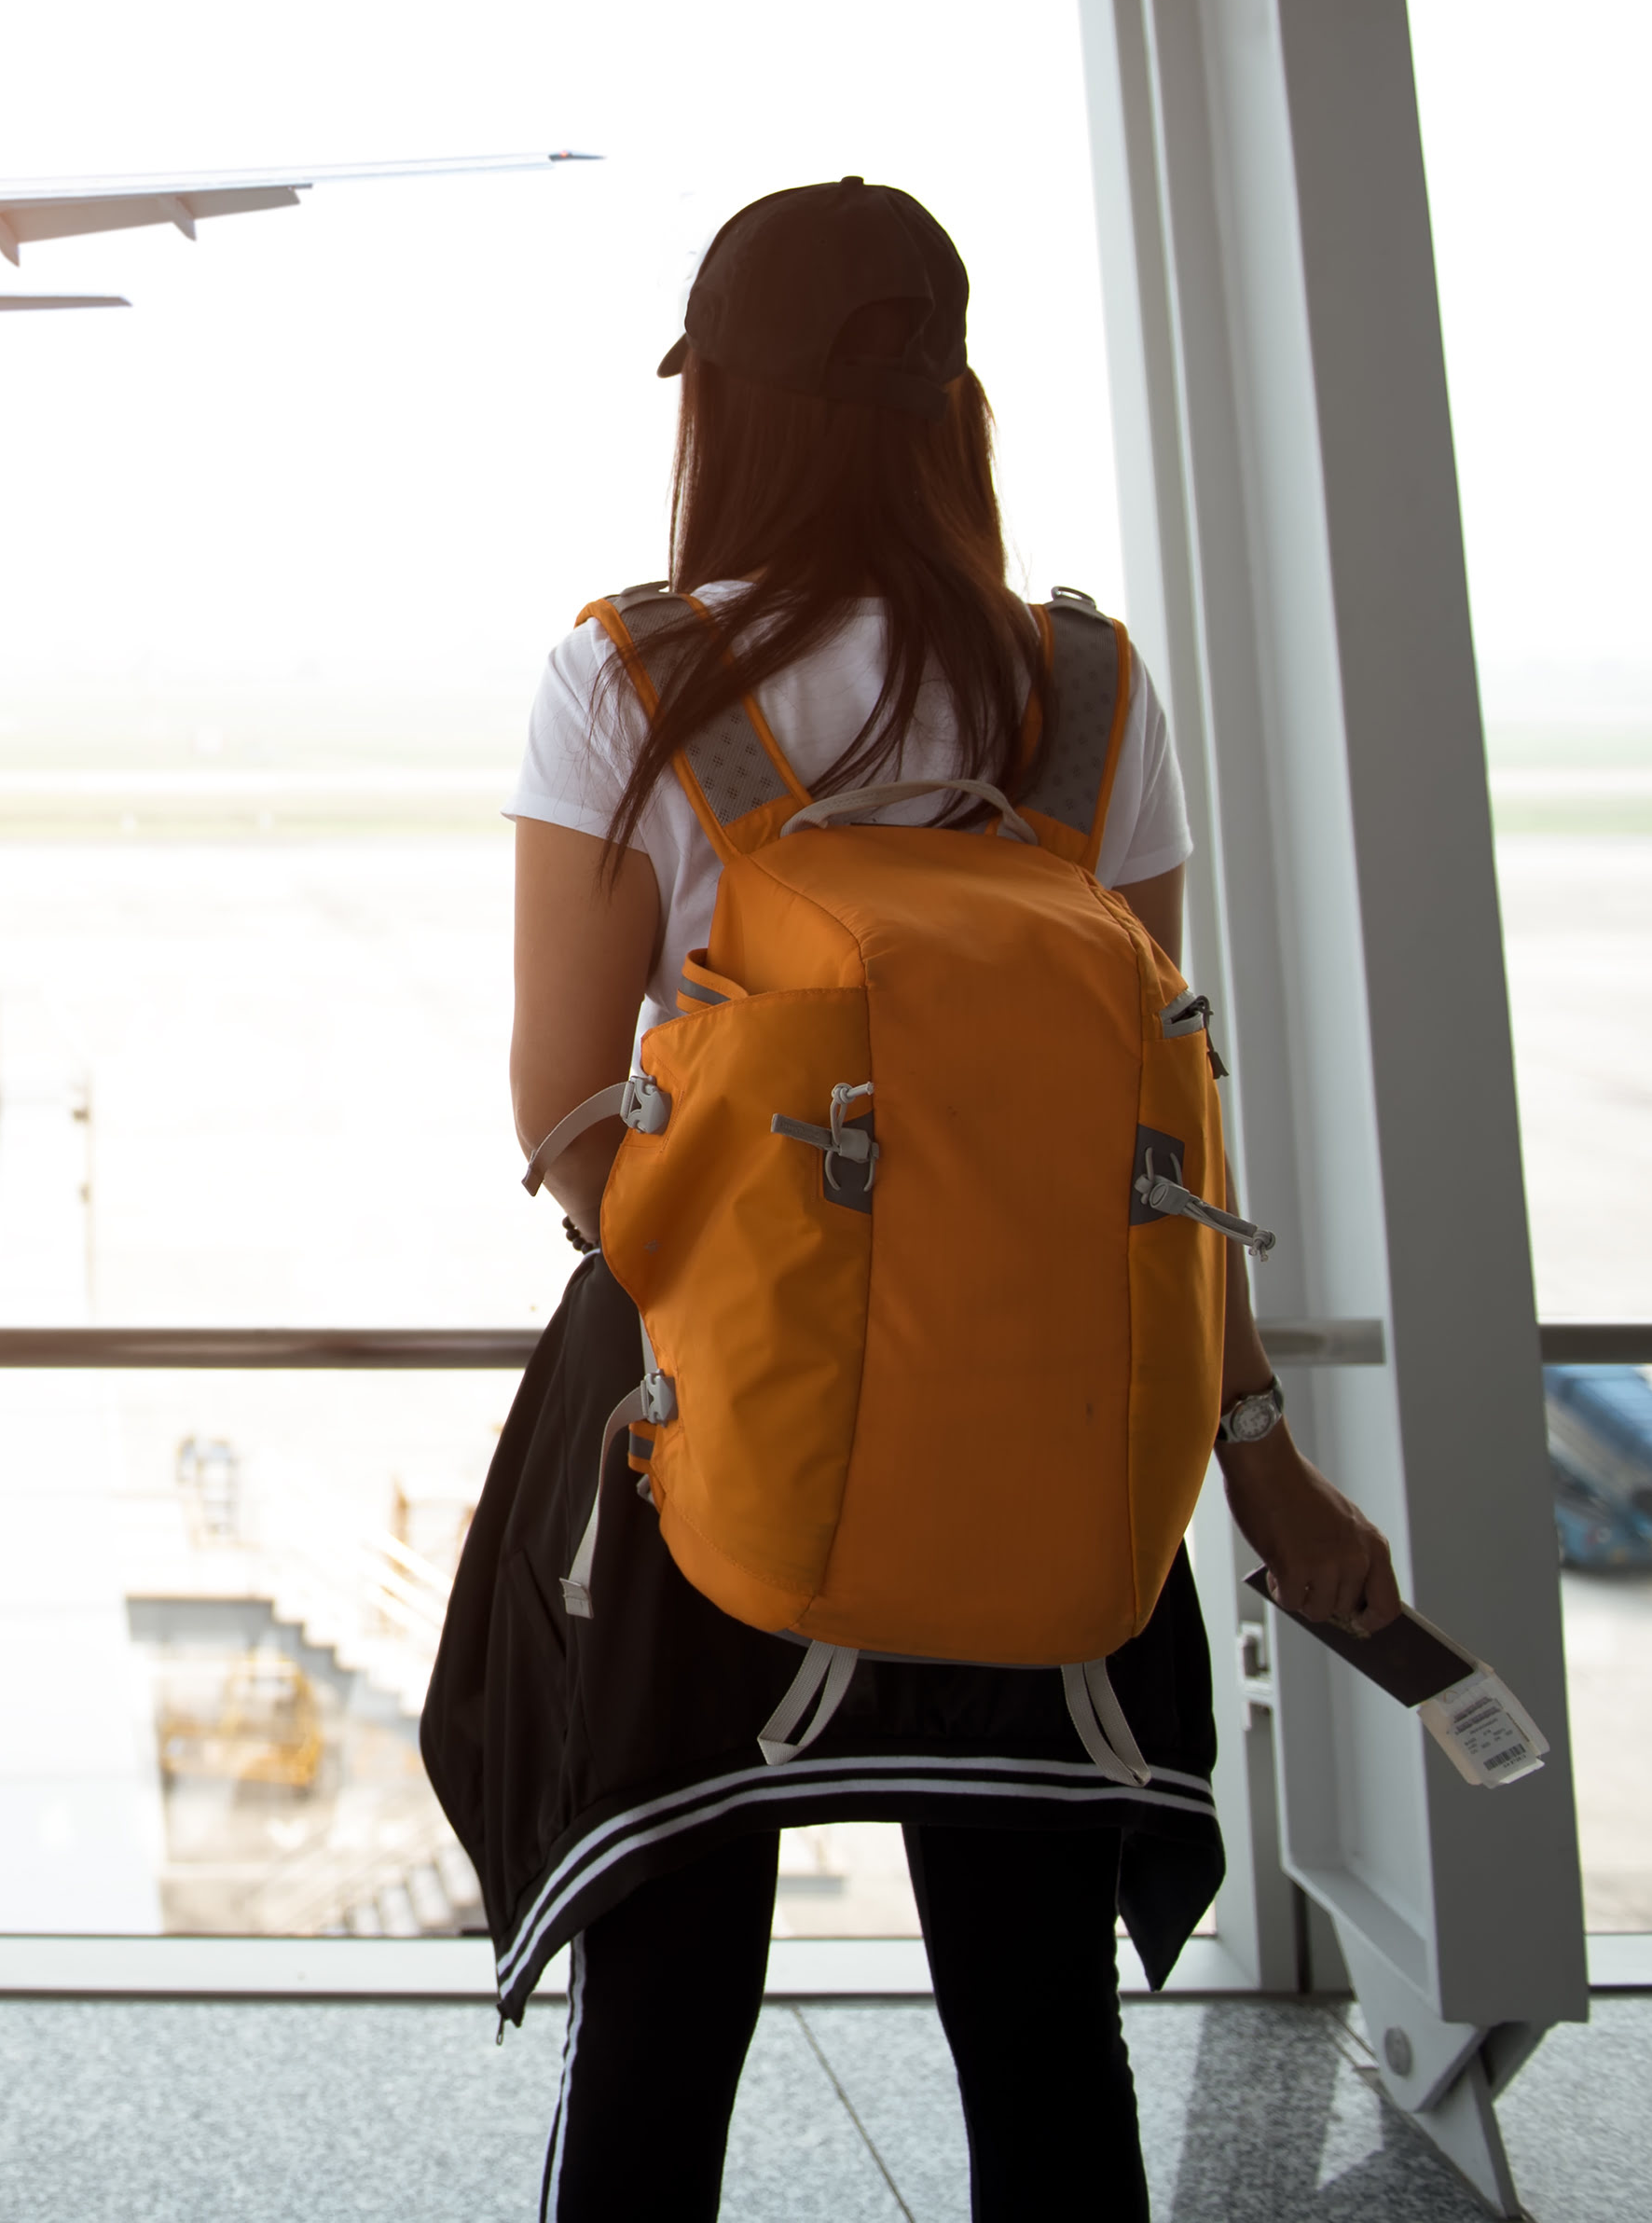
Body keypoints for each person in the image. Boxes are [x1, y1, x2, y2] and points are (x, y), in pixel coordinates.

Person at [422, 178, 1407, 2222]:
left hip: (714, 1428)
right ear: (948, 402)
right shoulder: (1088, 695)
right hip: (1046, 1424)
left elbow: (563, 1113)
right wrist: (1255, 1449)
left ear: (722, 407)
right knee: (1038, 2030)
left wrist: (776, 1282)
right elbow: (1167, 1136)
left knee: (666, 2017)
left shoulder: (632, 678)